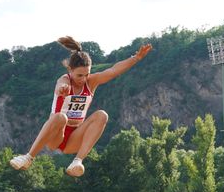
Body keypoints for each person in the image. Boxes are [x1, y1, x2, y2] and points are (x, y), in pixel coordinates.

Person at [9, 36, 153, 177]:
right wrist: (62, 90)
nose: (83, 79)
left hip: (75, 138)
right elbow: (60, 86)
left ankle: (77, 161)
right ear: (70, 70)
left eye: (86, 74)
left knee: (102, 115)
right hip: (56, 136)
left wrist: (136, 58)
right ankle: (28, 157)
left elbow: (113, 71)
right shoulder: (64, 80)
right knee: (61, 117)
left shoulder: (91, 82)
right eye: (79, 75)